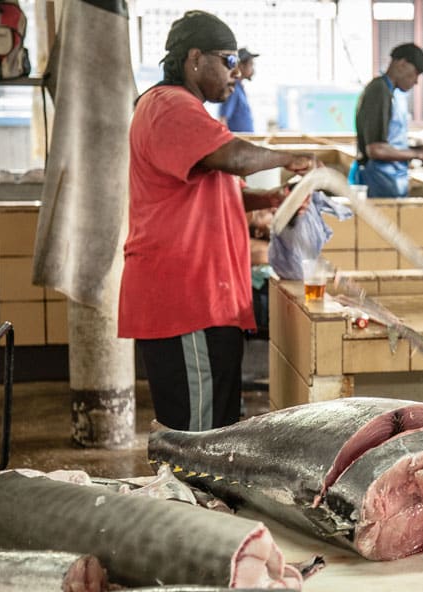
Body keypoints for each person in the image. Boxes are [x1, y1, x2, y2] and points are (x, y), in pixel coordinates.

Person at [119, 11, 314, 431]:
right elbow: (237, 159)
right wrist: (290, 157)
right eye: (228, 60)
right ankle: (184, 501)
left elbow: (214, 190)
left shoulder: (185, 110)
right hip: (186, 303)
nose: (237, 73)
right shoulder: (170, 105)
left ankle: (196, 499)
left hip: (205, 300)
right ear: (194, 59)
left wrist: (273, 197)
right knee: (199, 438)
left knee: (216, 429)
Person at [351, 42, 423, 198]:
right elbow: (376, 149)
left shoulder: (392, 94)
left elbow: (389, 142)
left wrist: (417, 149)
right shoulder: (378, 91)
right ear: (402, 64)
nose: (416, 81)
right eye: (416, 73)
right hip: (377, 182)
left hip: (392, 181)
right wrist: (417, 154)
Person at [219, 46, 257, 132]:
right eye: (251, 64)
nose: (253, 69)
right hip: (238, 142)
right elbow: (223, 120)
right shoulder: (232, 88)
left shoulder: (239, 88)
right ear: (241, 66)